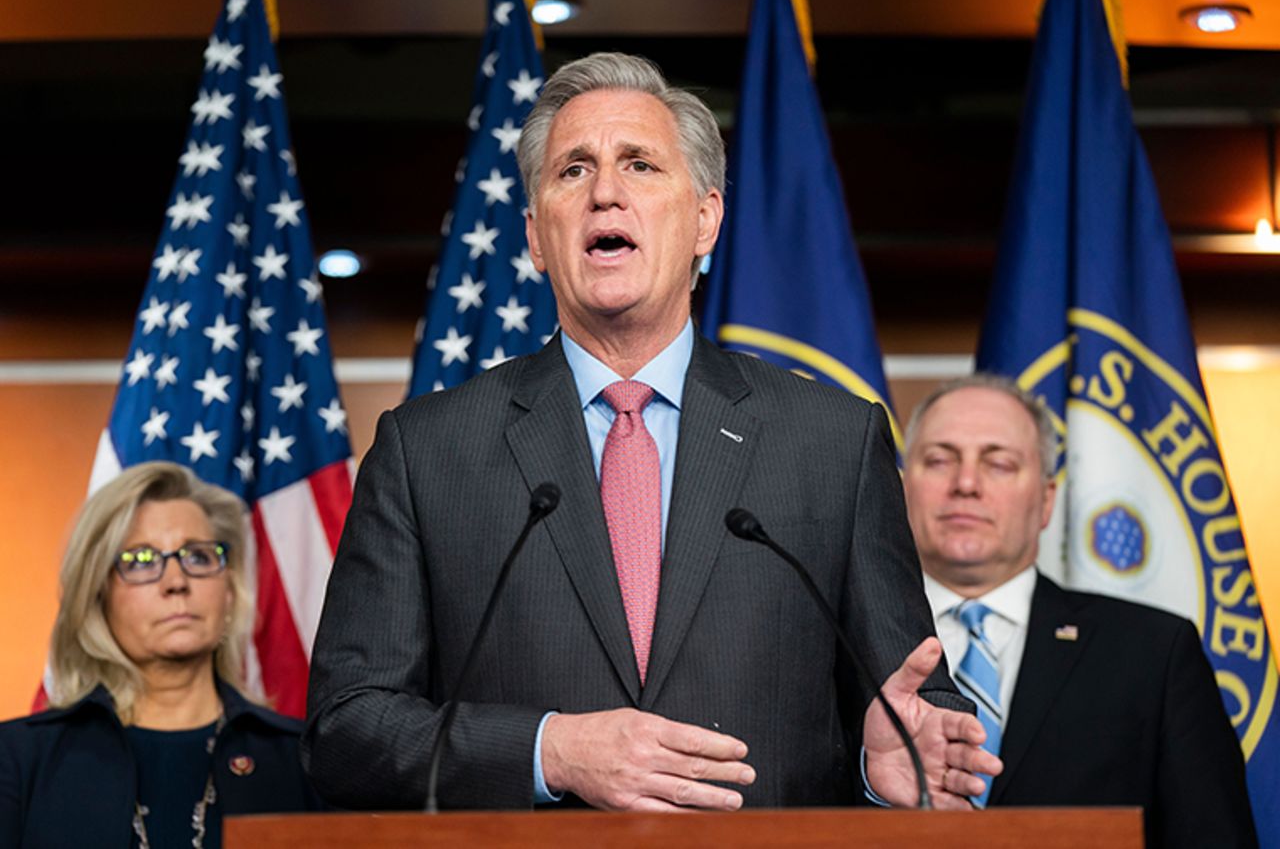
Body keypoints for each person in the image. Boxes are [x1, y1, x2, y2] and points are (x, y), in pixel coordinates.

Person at [303, 52, 998, 812]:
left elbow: (909, 707)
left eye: (640, 165)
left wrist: (887, 770)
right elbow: (348, 731)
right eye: (573, 171)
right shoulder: (427, 451)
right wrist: (550, 750)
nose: (606, 193)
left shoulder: (833, 443)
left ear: (705, 219)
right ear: (537, 237)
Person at [901, 374, 1257, 847]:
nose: (966, 484)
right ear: (900, 487)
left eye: (1000, 464)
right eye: (940, 460)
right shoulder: (833, 641)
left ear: (1046, 500)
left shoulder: (1153, 653)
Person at [0, 462, 322, 848]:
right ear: (97, 596)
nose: (176, 581)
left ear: (229, 592)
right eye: (141, 560)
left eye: (199, 557)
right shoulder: (17, 759)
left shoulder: (306, 760)